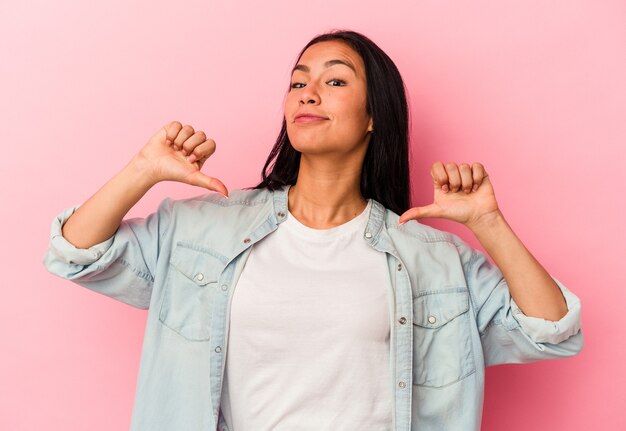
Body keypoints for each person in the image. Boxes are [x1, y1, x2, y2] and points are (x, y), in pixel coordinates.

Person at [43, 30, 583, 431]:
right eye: (298, 80)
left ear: (375, 115)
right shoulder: (202, 228)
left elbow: (552, 330)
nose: (307, 92)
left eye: (334, 80)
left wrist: (488, 223)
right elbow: (77, 253)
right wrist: (143, 169)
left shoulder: (430, 259)